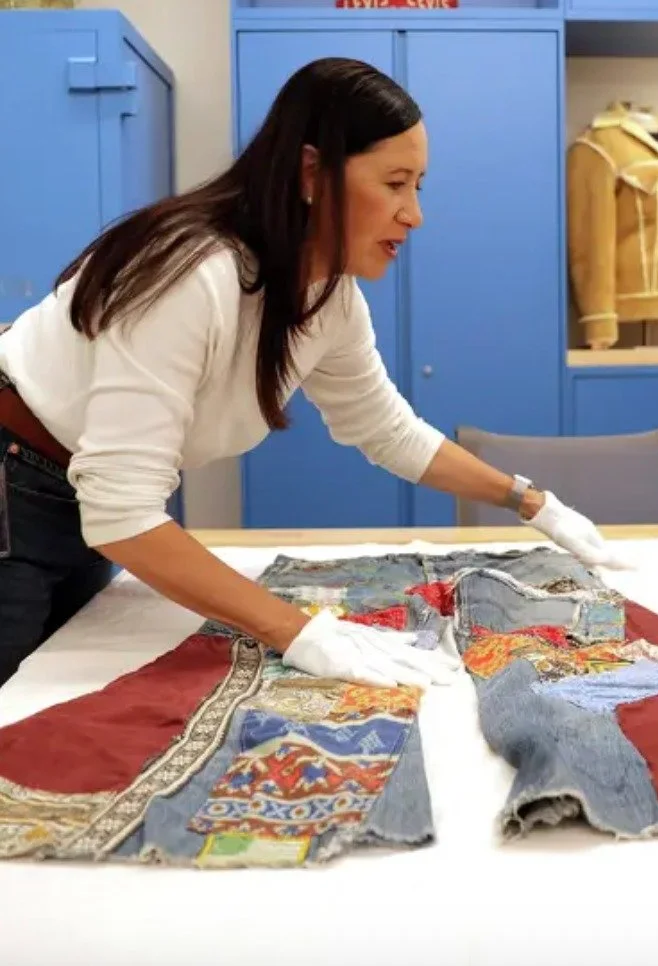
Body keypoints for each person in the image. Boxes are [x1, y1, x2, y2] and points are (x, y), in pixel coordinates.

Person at [0, 57, 623, 691]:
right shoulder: (193, 275)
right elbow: (123, 514)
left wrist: (530, 502)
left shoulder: (330, 297)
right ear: (312, 174)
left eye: (419, 187)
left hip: (73, 490)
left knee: (55, 676)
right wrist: (296, 630)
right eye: (395, 183)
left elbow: (388, 430)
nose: (414, 214)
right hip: (14, 477)